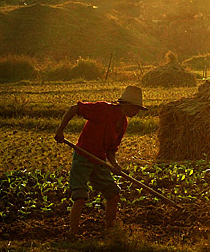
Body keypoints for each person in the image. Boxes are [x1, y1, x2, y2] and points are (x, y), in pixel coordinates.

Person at [54, 85, 147, 236]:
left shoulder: (123, 123)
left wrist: (115, 164)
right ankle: (72, 234)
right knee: (80, 197)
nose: (137, 112)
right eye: (136, 108)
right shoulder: (104, 110)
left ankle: (110, 231)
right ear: (128, 105)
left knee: (114, 195)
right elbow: (74, 108)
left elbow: (111, 149)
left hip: (99, 161)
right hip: (83, 157)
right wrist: (60, 130)